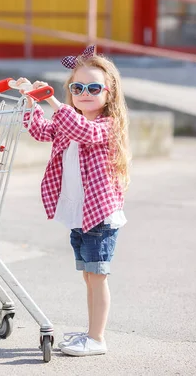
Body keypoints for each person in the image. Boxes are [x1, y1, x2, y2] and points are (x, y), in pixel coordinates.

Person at [16, 45, 131, 357]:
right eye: (77, 87)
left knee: (98, 277)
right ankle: (92, 332)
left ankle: (97, 338)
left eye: (93, 87)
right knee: (88, 277)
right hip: (81, 216)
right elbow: (42, 131)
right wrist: (30, 99)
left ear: (109, 93)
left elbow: (83, 131)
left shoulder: (106, 126)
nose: (84, 93)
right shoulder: (69, 121)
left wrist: (52, 100)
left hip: (100, 218)